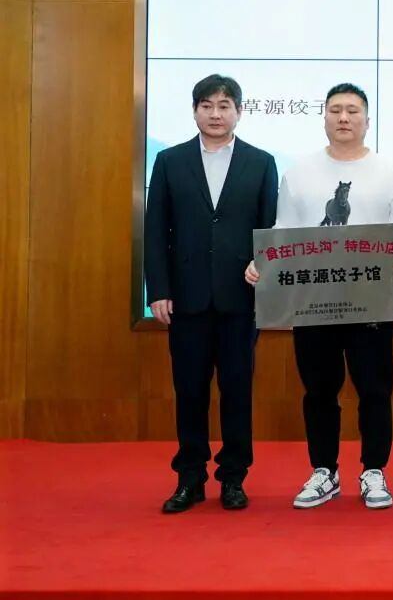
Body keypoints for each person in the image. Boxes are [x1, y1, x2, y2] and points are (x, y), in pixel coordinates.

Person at [247, 83, 393, 510]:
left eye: (353, 111)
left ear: (367, 120)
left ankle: (374, 470)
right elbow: (283, 233)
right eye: (336, 110)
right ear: (323, 117)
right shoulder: (299, 173)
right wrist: (262, 263)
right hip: (313, 302)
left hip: (372, 302)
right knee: (319, 390)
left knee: (374, 390)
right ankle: (324, 470)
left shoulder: (392, 174)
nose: (344, 117)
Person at [145, 74, 278, 513]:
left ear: (239, 111)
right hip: (187, 298)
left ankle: (234, 478)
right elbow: (155, 231)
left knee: (237, 391)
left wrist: (264, 265)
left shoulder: (261, 163)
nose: (215, 114)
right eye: (207, 105)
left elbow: (269, 229)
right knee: (190, 391)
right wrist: (158, 289)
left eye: (224, 106)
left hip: (242, 297)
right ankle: (190, 477)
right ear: (195, 111)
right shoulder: (170, 161)